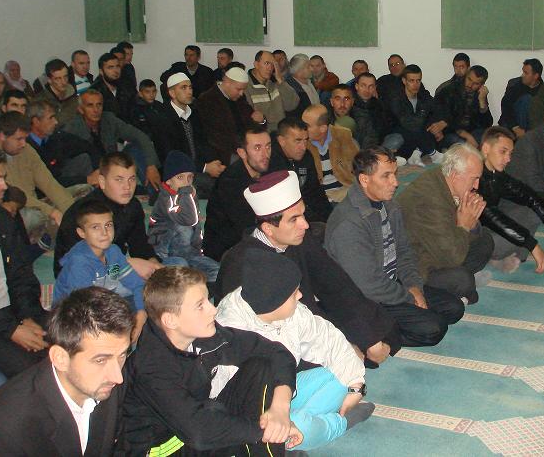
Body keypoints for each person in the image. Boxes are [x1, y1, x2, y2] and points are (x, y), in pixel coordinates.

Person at [216, 171, 400, 367]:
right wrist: (340, 348)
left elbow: (337, 286)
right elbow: (257, 336)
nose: (305, 224)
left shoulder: (300, 240)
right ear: (268, 228)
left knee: (393, 329)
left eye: (303, 214)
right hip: (277, 346)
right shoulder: (239, 265)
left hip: (313, 320)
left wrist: (369, 338)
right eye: (294, 219)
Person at [121, 266, 301, 455]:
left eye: (208, 300)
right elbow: (198, 431)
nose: (213, 310)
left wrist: (281, 409)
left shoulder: (200, 335)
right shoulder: (151, 366)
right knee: (232, 426)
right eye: (200, 306)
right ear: (171, 320)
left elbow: (276, 352)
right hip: (165, 449)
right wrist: (269, 431)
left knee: (260, 367)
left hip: (196, 430)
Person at [217, 251, 374, 452]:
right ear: (274, 301)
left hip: (286, 391)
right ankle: (340, 423)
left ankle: (307, 425)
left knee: (341, 376)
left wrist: (356, 387)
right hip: (251, 413)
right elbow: (226, 408)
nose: (300, 296)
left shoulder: (291, 312)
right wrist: (281, 419)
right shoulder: (229, 331)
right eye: (294, 293)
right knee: (300, 426)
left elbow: (328, 339)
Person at [326, 147, 465, 347]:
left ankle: (387, 325)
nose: (395, 182)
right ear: (364, 180)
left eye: (395, 174)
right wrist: (409, 298)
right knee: (434, 329)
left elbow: (404, 252)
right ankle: (368, 339)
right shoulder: (349, 224)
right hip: (365, 298)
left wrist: (414, 286)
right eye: (386, 176)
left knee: (454, 308)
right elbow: (369, 285)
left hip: (392, 283)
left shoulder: (389, 205)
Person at [0, 287, 135, 455]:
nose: (117, 377)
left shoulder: (108, 380)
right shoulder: (1, 429)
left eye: (122, 355)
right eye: (100, 360)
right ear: (60, 358)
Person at [0, 144, 49, 379]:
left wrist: (28, 316)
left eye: (3, 178)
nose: (4, 186)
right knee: (31, 372)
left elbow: (21, 275)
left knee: (71, 342)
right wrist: (13, 330)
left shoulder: (2, 220)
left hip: (11, 314)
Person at [397, 143, 494, 304]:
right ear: (455, 175)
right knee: (463, 280)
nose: (477, 185)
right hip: (417, 264)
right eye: (474, 179)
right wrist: (464, 225)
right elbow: (451, 258)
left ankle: (461, 288)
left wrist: (471, 222)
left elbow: (454, 236)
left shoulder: (444, 179)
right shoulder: (428, 200)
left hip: (440, 248)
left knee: (485, 240)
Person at [54, 152, 173, 280]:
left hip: (114, 266)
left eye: (132, 179)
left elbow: (139, 244)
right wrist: (128, 265)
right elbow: (81, 265)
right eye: (119, 179)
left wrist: (152, 262)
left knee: (176, 264)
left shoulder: (132, 206)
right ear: (102, 182)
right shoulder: (86, 213)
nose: (127, 187)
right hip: (80, 275)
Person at [479, 126, 544, 272]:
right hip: (474, 240)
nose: (508, 159)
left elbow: (529, 196)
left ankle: (515, 255)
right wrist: (532, 244)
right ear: (486, 149)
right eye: (503, 151)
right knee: (499, 237)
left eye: (510, 153)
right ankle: (492, 257)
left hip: (489, 228)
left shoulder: (497, 175)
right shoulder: (472, 176)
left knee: (534, 210)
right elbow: (491, 216)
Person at [54, 199, 147, 341]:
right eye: (95, 227)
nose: (104, 233)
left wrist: (141, 313)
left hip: (103, 296)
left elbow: (137, 284)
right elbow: (83, 308)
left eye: (108, 225)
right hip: (74, 312)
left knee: (150, 304)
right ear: (82, 233)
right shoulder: (79, 263)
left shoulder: (113, 251)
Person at [0, 112, 74, 242]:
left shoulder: (27, 150)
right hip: (16, 210)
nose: (23, 144)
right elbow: (15, 195)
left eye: (25, 138)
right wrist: (52, 212)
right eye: (19, 139)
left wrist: (72, 211)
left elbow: (49, 183)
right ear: (2, 136)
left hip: (37, 205)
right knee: (35, 217)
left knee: (82, 192)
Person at [61, 89, 162, 192]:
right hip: (90, 174)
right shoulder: (71, 128)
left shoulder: (109, 119)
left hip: (112, 167)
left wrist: (151, 165)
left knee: (135, 148)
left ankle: (154, 191)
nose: (96, 110)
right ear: (81, 109)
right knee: (84, 158)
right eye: (90, 106)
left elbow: (140, 136)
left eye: (99, 105)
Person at [203, 123, 271, 262]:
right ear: (242, 153)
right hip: (227, 250)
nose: (265, 154)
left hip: (256, 239)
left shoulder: (267, 169)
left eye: (268, 146)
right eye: (257, 148)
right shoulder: (230, 182)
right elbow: (245, 227)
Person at [149, 150, 220, 282]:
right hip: (165, 257)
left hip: (190, 255)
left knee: (217, 271)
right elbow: (189, 220)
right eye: (180, 178)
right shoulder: (165, 200)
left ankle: (201, 287)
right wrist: (187, 193)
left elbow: (197, 227)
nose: (186, 183)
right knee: (182, 270)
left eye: (190, 177)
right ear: (168, 181)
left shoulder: (189, 197)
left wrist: (199, 252)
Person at [154, 72, 225, 199]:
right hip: (179, 173)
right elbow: (171, 156)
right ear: (172, 93)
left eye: (190, 87)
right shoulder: (163, 118)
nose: (189, 92)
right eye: (183, 88)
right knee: (217, 188)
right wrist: (205, 168)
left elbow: (203, 142)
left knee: (227, 178)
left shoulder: (194, 113)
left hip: (198, 167)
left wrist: (215, 163)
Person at [269, 117, 333, 224]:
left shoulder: (306, 157)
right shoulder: (271, 163)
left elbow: (316, 190)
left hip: (310, 213)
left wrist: (331, 218)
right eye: (297, 141)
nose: (303, 147)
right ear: (281, 141)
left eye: (306, 140)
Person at [196, 66, 264, 165]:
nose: (241, 93)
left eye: (243, 90)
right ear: (227, 82)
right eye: (239, 89)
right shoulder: (207, 100)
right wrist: (240, 150)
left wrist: (261, 121)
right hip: (223, 154)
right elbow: (212, 137)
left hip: (244, 147)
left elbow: (250, 121)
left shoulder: (240, 98)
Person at [26, 99, 100, 188]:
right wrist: (87, 179)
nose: (56, 122)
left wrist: (98, 170)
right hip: (46, 190)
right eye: (51, 118)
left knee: (84, 158)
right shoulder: (26, 148)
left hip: (64, 180)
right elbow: (46, 182)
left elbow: (87, 147)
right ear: (36, 121)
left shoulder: (56, 136)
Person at [387, 64, 444, 167]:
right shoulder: (396, 98)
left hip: (416, 134)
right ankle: (432, 153)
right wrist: (430, 126)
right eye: (411, 81)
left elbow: (438, 110)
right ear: (404, 81)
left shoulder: (423, 95)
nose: (416, 84)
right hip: (399, 133)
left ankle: (415, 154)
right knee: (418, 131)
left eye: (418, 80)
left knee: (429, 129)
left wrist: (437, 126)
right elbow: (408, 124)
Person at [303, 104, 358, 203]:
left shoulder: (343, 135)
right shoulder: (303, 143)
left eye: (306, 126)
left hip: (345, 189)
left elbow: (358, 166)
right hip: (320, 195)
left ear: (323, 128)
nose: (302, 129)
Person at [433, 65, 493, 148]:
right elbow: (444, 119)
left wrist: (482, 102)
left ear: (481, 85)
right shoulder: (449, 90)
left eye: (476, 83)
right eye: (469, 79)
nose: (470, 85)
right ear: (466, 75)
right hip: (450, 132)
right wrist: (465, 135)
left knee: (490, 139)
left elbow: (487, 124)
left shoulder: (479, 94)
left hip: (471, 131)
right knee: (462, 144)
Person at [246, 50, 300, 131]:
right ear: (256, 64)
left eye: (273, 64)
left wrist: (280, 80)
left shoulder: (276, 83)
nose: (270, 68)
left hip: (281, 133)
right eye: (267, 63)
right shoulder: (246, 86)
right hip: (262, 134)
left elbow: (292, 105)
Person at [351, 72, 403, 153]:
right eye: (363, 86)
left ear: (375, 88)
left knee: (397, 138)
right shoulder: (349, 104)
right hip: (356, 148)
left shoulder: (379, 105)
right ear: (356, 86)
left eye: (371, 86)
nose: (367, 90)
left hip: (377, 147)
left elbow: (391, 124)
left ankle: (376, 156)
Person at [499, 58, 544, 138]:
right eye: (523, 72)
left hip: (531, 128)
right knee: (526, 99)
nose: (522, 75)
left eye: (526, 73)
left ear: (536, 76)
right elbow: (506, 107)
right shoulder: (515, 85)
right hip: (511, 124)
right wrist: (515, 127)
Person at [90, 52, 136, 123]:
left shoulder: (127, 86)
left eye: (117, 66)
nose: (115, 71)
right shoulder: (94, 92)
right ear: (101, 71)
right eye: (110, 67)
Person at [34, 58, 80, 127]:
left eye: (65, 77)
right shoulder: (39, 102)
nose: (63, 82)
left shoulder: (74, 98)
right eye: (58, 79)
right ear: (49, 80)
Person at [286, 53, 321, 118]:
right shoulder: (290, 88)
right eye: (308, 67)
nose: (312, 69)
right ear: (298, 71)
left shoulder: (310, 82)